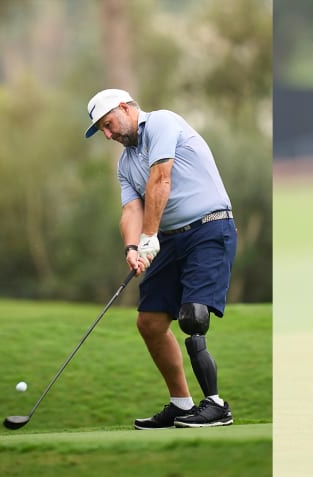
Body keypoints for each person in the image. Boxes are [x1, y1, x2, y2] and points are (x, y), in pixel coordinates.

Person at [84, 88, 237, 428]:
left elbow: (160, 180)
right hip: (169, 239)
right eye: (103, 131)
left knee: (192, 316)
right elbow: (130, 209)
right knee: (150, 322)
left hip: (209, 229)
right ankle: (181, 405)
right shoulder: (125, 164)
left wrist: (149, 236)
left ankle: (216, 405)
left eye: (109, 125)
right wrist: (133, 248)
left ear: (125, 108)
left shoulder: (163, 123)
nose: (109, 135)